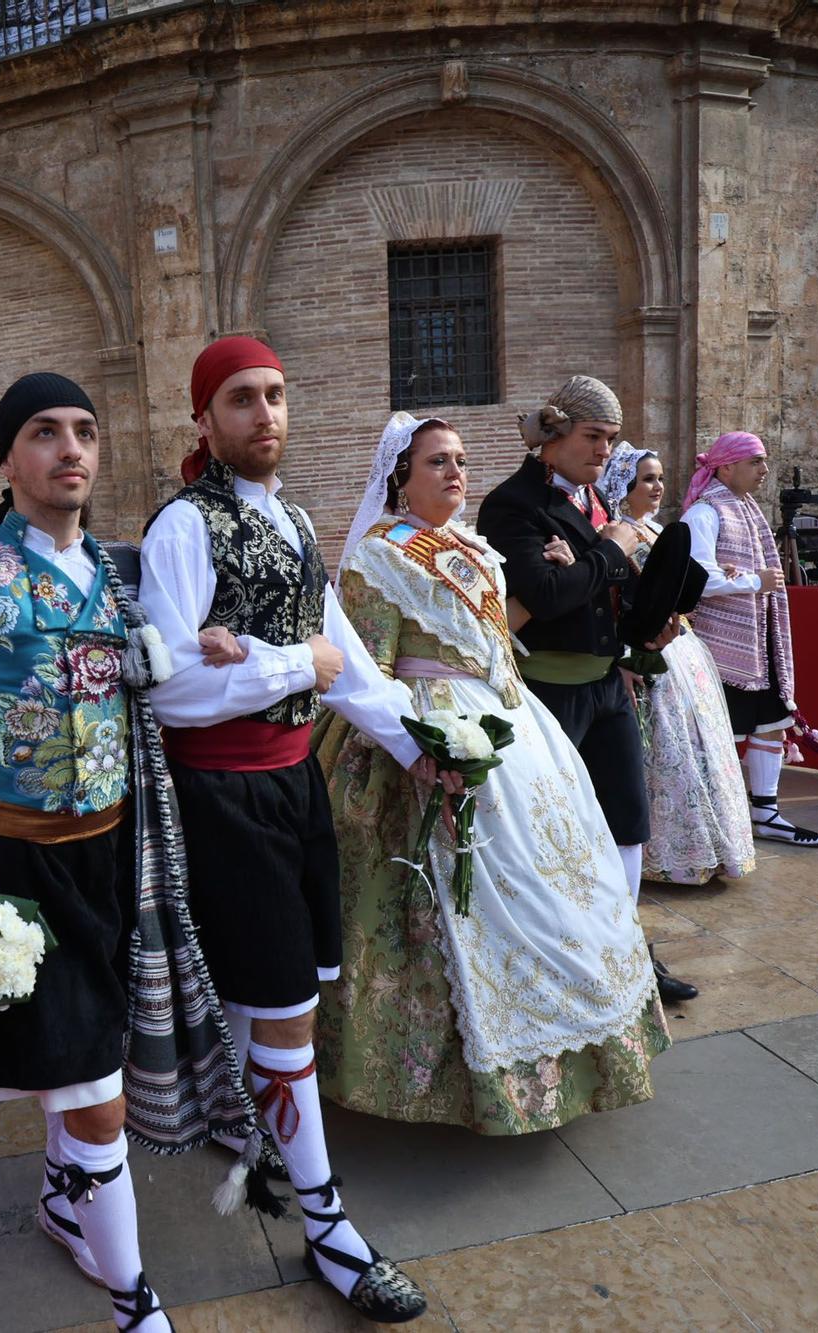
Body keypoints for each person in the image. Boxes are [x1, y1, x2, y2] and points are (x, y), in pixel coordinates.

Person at [0, 373, 242, 1333]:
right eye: (46, 433)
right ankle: (135, 1304)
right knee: (99, 1101)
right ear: (8, 457)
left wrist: (197, 647)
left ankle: (65, 1200)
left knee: (88, 1058)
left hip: (116, 856)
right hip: (26, 869)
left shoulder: (111, 569)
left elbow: (136, 662)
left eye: (86, 432)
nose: (72, 449)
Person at [139, 336, 430, 1325]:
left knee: (286, 988)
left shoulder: (296, 520)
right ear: (204, 421)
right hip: (224, 799)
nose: (264, 413)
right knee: (286, 1011)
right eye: (239, 399)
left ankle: (238, 1118)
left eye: (274, 395)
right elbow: (173, 687)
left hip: (292, 788)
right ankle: (327, 1225)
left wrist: (413, 745)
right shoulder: (182, 526)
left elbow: (341, 654)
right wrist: (290, 664)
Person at [314, 413, 667, 1137]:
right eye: (436, 461)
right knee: (439, 911)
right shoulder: (378, 556)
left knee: (556, 885)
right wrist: (424, 744)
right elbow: (369, 667)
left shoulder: (471, 545)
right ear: (400, 478)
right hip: (423, 735)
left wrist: (579, 578)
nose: (454, 472)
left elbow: (498, 636)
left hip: (512, 725)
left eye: (461, 460)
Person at [475, 375, 699, 1002]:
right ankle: (558, 961)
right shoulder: (511, 506)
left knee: (628, 821)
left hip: (606, 684)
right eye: (593, 437)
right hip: (548, 692)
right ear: (552, 437)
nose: (604, 452)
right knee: (553, 831)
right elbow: (543, 599)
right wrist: (609, 547)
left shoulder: (592, 501)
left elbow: (601, 590)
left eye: (611, 440)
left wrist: (646, 628)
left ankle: (627, 955)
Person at [601, 444, 756, 886]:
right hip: (652, 651)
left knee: (696, 748)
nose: (657, 487)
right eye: (647, 479)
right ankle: (666, 856)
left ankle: (710, 849)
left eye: (661, 478)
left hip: (683, 648)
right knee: (665, 750)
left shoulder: (654, 530)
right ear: (623, 485)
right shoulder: (616, 533)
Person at [682, 432, 818, 847]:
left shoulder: (743, 508)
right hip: (721, 649)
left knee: (770, 725)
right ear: (726, 467)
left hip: (757, 647)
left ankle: (766, 815)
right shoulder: (705, 514)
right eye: (756, 462)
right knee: (721, 735)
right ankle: (716, 820)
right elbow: (698, 579)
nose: (764, 471)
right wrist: (754, 581)